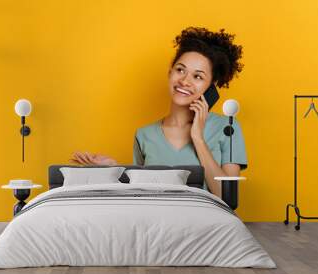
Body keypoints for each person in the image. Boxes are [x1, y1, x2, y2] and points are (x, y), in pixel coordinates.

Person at [70, 26, 247, 198]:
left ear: (211, 87)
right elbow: (141, 196)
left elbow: (227, 198)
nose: (185, 80)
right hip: (159, 226)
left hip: (207, 224)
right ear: (170, 73)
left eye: (198, 76)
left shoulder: (227, 128)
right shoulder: (144, 135)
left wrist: (198, 139)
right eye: (180, 70)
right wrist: (114, 171)